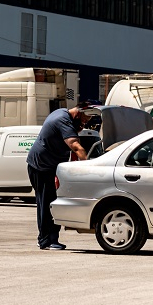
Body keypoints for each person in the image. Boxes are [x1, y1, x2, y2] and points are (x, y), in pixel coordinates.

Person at [26, 104, 89, 250]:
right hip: (41, 167)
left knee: (52, 201)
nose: (86, 123)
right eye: (85, 119)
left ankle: (49, 238)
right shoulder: (63, 120)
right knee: (47, 202)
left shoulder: (62, 113)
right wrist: (88, 166)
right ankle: (46, 240)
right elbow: (74, 145)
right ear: (78, 113)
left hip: (48, 165)